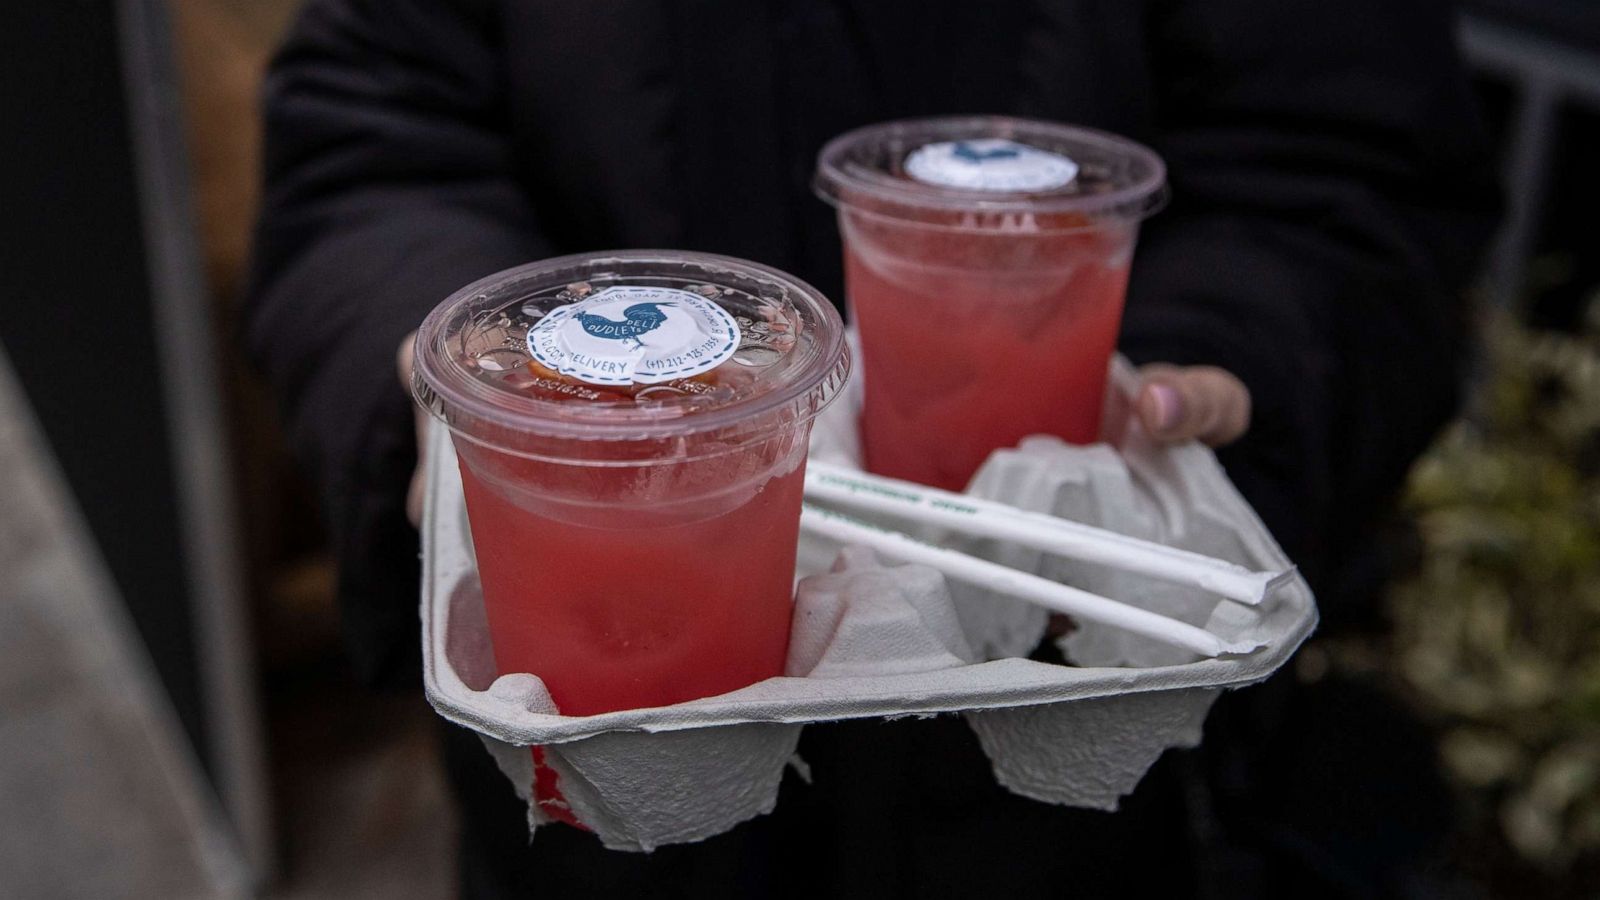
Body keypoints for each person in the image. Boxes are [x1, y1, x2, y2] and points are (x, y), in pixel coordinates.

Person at [246, 1, 1499, 896]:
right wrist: (434, 357)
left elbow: (1346, 160)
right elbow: (371, 139)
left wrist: (1222, 349)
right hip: (590, 816)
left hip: (1072, 799)